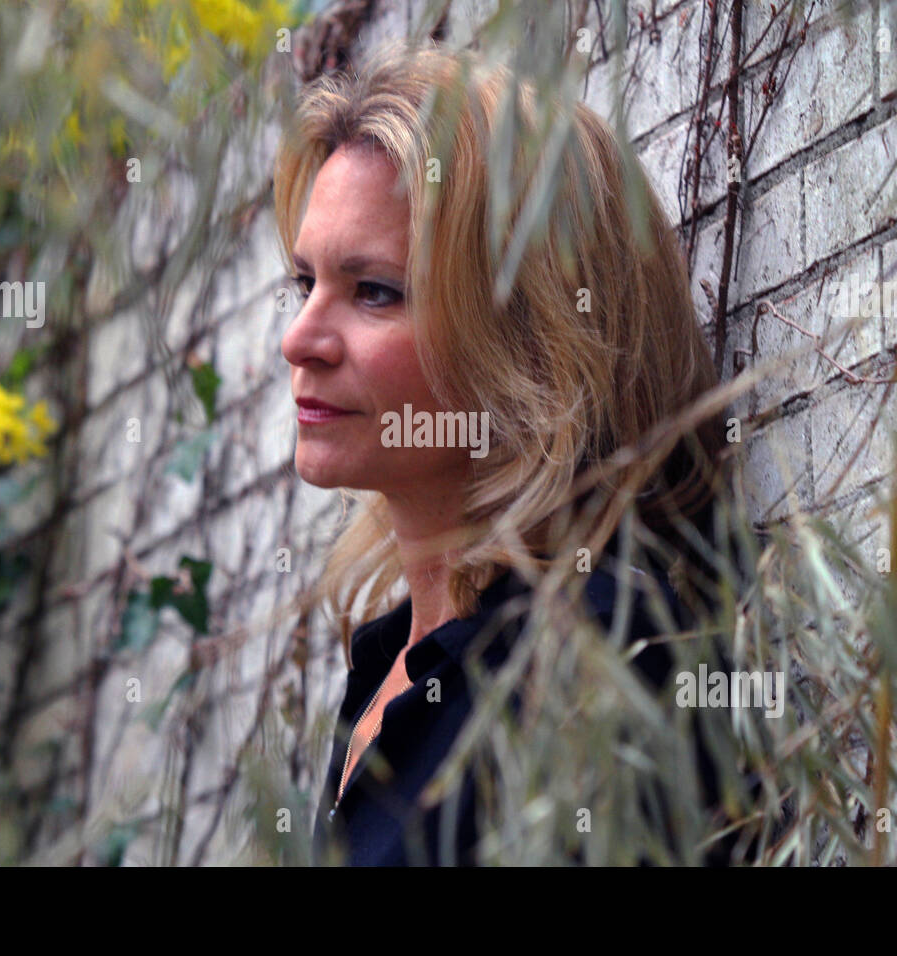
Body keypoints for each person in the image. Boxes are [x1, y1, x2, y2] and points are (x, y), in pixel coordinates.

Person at [274, 38, 753, 865]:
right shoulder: (385, 664)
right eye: (303, 283)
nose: (300, 338)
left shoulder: (595, 655)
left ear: (534, 338)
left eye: (375, 290)